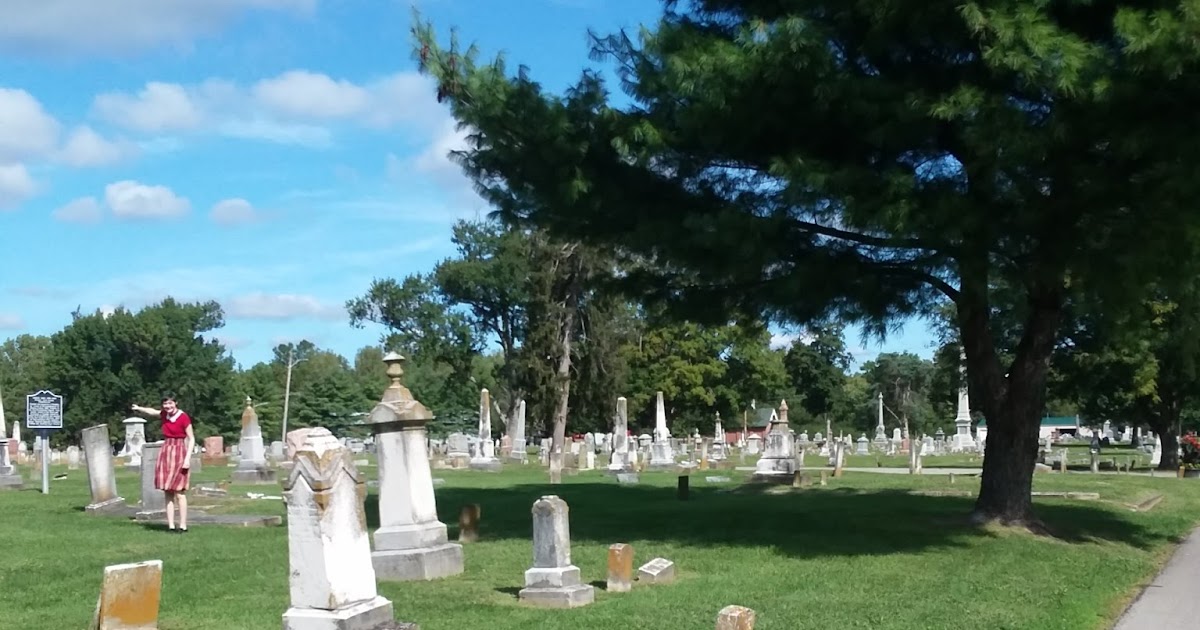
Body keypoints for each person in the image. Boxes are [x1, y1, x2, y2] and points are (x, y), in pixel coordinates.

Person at [132, 395, 195, 532]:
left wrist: (187, 459)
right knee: (168, 491)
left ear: (175, 403)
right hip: (166, 451)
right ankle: (171, 525)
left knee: (179, 492)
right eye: (165, 404)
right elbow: (152, 412)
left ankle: (183, 525)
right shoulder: (164, 414)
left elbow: (191, 438)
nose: (168, 407)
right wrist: (138, 408)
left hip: (179, 451)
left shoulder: (183, 417)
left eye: (170, 403)